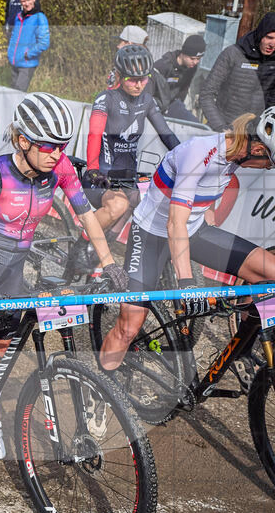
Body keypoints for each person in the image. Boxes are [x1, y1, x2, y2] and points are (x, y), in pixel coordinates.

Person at [0, 93, 127, 459]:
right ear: (23, 141)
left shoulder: (61, 168)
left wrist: (109, 262)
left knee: (3, 344)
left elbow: (87, 216)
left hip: (13, 266)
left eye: (62, 146)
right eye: (48, 146)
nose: (56, 154)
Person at [99, 108, 275, 371]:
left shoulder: (233, 157)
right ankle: (99, 385)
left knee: (270, 272)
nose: (268, 168)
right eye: (269, 164)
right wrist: (187, 284)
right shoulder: (198, 153)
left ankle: (243, 350)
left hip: (193, 232)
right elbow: (175, 223)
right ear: (258, 150)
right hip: (151, 234)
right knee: (129, 327)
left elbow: (203, 201)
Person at [83, 45, 181, 240]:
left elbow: (166, 134)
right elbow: (94, 134)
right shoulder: (106, 99)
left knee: (142, 201)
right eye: (132, 80)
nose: (139, 85)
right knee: (119, 205)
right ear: (120, 76)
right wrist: (93, 169)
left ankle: (107, 242)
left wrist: (186, 156)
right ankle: (81, 245)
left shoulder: (147, 101)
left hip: (127, 176)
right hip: (102, 172)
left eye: (143, 79)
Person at [200, 12, 275, 132]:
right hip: (225, 129)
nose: (272, 44)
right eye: (269, 37)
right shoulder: (233, 54)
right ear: (260, 34)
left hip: (256, 133)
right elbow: (206, 94)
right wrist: (221, 127)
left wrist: (267, 131)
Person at [151, 34, 205, 122]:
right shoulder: (162, 65)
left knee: (195, 124)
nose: (195, 62)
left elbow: (184, 89)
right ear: (183, 53)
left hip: (172, 104)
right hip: (155, 104)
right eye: (192, 58)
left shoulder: (191, 68)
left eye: (198, 59)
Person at [7, 0, 49, 91]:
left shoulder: (40, 18)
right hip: (14, 61)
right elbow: (14, 36)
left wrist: (28, 54)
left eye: (28, 0)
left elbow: (44, 43)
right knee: (12, 91)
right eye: (23, 1)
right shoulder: (18, 16)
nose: (26, 4)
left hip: (27, 64)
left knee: (18, 93)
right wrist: (10, 52)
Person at [105, 25, 150, 89]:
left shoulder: (144, 73)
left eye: (121, 42)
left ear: (129, 44)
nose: (118, 46)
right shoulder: (122, 67)